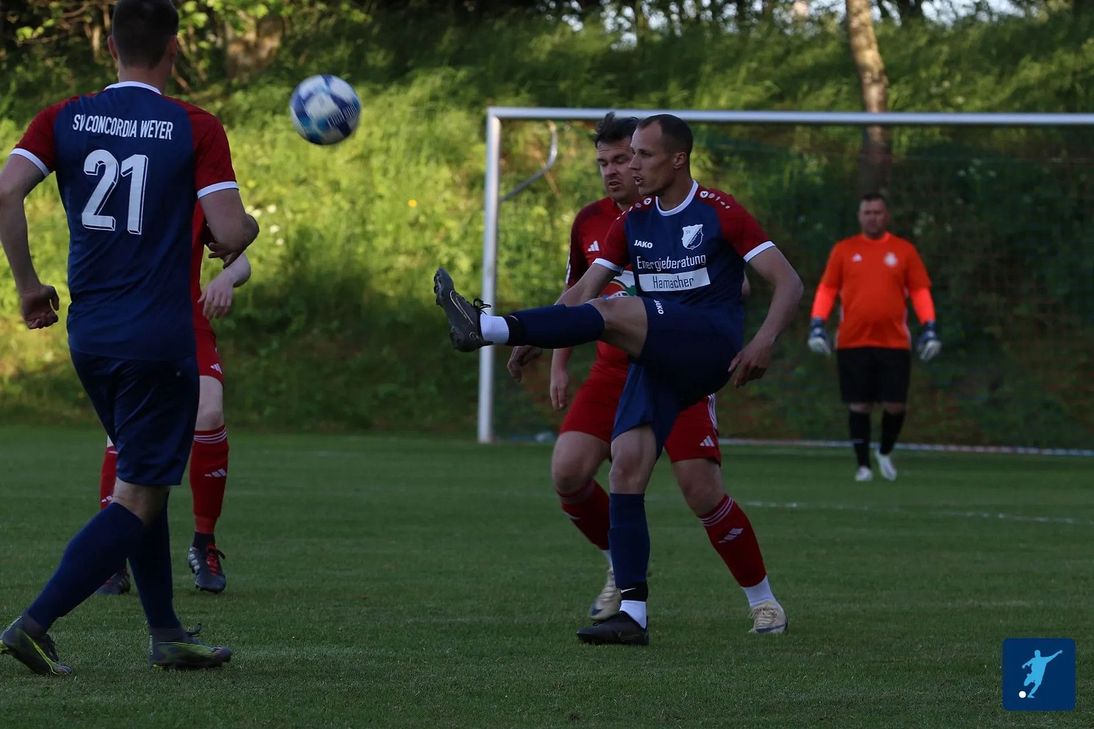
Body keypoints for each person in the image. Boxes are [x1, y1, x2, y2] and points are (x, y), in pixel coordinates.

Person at [435, 113, 803, 645]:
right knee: (627, 468)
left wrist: (764, 339)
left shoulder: (718, 210)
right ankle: (633, 614)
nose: (630, 166)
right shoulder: (629, 223)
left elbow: (788, 282)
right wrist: (537, 337)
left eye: (641, 156)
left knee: (618, 313)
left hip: (707, 346)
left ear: (678, 159)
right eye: (622, 158)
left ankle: (486, 326)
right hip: (654, 360)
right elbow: (584, 291)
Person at [0, 0, 258, 675]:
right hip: (158, 338)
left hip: (91, 334)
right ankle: (33, 623)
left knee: (146, 477)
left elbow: (5, 192)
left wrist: (27, 285)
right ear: (174, 49)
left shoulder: (63, 117)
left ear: (110, 45)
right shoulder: (194, 126)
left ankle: (166, 632)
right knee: (137, 495)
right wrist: (248, 230)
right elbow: (229, 232)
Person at [537, 113, 786, 634]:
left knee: (701, 489)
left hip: (674, 365)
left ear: (657, 161)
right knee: (569, 472)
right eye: (604, 162)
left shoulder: (692, 213)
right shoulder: (592, 222)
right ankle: (621, 567)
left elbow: (740, 282)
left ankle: (762, 599)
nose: (615, 170)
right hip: (611, 371)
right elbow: (577, 295)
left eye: (626, 158)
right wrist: (552, 354)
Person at [97, 247, 251, 596]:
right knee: (121, 431)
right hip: (130, 320)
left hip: (187, 320)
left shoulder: (194, 208)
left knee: (209, 412)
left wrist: (226, 278)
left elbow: (240, 255)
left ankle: (204, 542)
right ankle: (112, 553)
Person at [806, 193, 941, 482]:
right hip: (853, 341)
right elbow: (827, 290)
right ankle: (863, 466)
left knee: (895, 404)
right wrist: (817, 324)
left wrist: (929, 326)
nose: (873, 217)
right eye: (867, 212)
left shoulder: (904, 250)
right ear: (859, 216)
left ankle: (885, 451)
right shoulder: (844, 250)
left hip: (894, 342)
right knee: (860, 404)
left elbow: (919, 291)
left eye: (878, 212)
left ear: (886, 215)